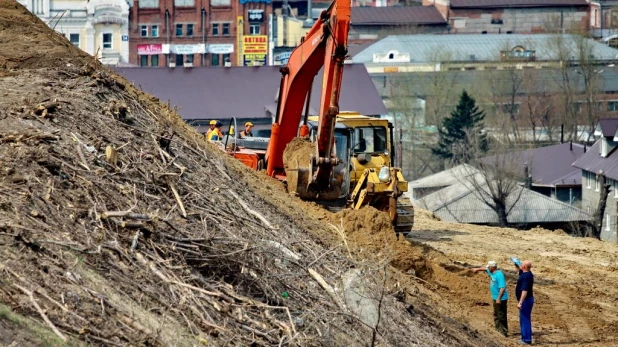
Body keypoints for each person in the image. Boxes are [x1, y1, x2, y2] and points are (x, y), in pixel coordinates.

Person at [472, 260, 509, 337]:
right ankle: (497, 329)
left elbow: (502, 288)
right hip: (495, 298)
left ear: (492, 267)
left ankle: (503, 332)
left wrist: (499, 298)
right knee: (496, 314)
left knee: (501, 315)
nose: (488, 268)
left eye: (489, 267)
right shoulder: (492, 272)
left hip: (501, 299)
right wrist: (477, 269)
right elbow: (485, 269)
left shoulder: (499, 275)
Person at [513, 259, 534, 345]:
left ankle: (526, 339)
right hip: (527, 300)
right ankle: (525, 337)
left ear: (524, 267)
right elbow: (519, 270)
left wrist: (520, 302)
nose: (520, 265)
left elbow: (524, 290)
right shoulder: (527, 273)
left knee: (525, 319)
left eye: (522, 264)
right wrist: (516, 264)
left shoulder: (526, 277)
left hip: (525, 301)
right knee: (524, 319)